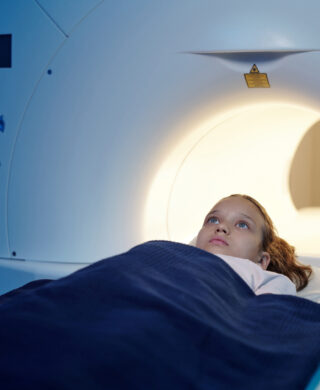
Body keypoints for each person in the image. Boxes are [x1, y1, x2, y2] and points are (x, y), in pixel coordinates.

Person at [195, 194, 313, 293]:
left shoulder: (268, 281)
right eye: (213, 220)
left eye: (242, 225)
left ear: (262, 261)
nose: (221, 226)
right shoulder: (178, 254)